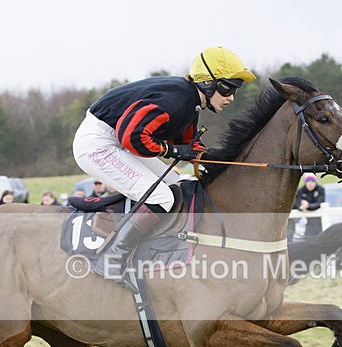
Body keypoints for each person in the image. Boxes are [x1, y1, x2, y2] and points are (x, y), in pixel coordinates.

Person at [72, 46, 255, 288]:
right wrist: (174, 152)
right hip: (99, 143)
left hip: (115, 139)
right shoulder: (178, 99)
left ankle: (158, 251)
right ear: (209, 83)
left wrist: (213, 160)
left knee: (176, 187)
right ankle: (111, 259)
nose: (231, 97)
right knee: (161, 198)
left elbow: (186, 141)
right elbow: (132, 136)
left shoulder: (190, 101)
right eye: (228, 88)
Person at [292, 173, 326, 238]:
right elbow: (296, 204)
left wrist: (308, 206)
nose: (310, 184)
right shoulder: (301, 190)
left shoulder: (320, 189)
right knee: (308, 239)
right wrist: (300, 206)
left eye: (313, 181)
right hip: (308, 222)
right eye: (308, 181)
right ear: (305, 182)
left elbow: (320, 203)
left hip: (320, 221)